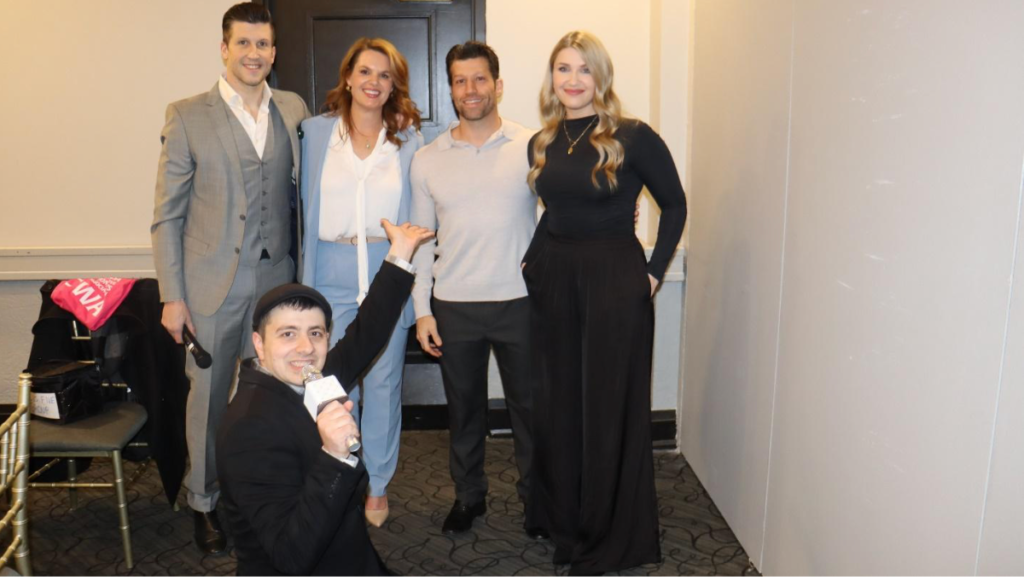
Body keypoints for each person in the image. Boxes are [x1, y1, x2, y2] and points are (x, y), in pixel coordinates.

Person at [522, 31, 687, 574]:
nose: (572, 80)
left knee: (609, 408)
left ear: (601, 76)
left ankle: (609, 535)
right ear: (552, 77)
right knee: (561, 406)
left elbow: (675, 205)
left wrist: (653, 273)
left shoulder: (632, 137)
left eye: (584, 69)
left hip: (615, 284)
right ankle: (568, 523)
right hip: (556, 283)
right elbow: (555, 211)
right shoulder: (542, 141)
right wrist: (531, 260)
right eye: (563, 68)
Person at [150, 2, 310, 554]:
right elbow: (167, 217)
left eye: (263, 44)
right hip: (211, 285)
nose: (254, 53)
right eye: (243, 43)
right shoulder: (187, 115)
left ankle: (260, 493)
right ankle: (204, 500)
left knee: (273, 395)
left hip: (276, 280)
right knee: (211, 399)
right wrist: (173, 297)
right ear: (224, 49)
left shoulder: (292, 108)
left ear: (274, 51)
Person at [217, 219, 433, 576]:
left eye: (315, 333)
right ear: (259, 344)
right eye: (288, 334)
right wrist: (334, 456)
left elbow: (367, 332)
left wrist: (401, 252)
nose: (306, 347)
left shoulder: (310, 381)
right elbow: (290, 558)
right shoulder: (249, 428)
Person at [409, 42, 545, 538]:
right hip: (454, 306)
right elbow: (421, 241)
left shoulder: (532, 146)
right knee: (464, 411)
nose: (470, 89)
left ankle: (538, 501)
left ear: (498, 85)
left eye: (480, 78)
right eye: (460, 81)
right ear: (451, 89)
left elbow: (563, 213)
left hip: (521, 302)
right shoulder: (427, 160)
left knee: (530, 411)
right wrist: (422, 310)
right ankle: (469, 496)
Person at [299, 37, 423, 527]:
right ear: (348, 77)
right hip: (329, 267)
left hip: (384, 266)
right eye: (366, 71)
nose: (374, 82)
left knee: (384, 382)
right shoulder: (314, 133)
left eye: (385, 75)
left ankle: (377, 484)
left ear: (394, 86)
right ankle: (336, 473)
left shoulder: (408, 141)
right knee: (328, 381)